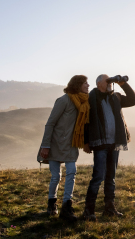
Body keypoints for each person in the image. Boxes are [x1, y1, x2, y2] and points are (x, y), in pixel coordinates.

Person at [81, 74, 135, 221]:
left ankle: (109, 208)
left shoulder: (116, 97)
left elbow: (133, 100)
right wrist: (85, 142)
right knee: (98, 176)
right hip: (100, 143)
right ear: (99, 83)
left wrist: (122, 84)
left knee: (110, 177)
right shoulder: (91, 98)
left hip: (114, 143)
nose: (109, 83)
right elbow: (85, 122)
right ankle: (89, 210)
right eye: (107, 81)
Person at [39, 74, 90, 222]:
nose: (88, 85)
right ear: (77, 84)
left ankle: (67, 206)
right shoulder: (63, 100)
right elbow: (50, 123)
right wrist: (45, 145)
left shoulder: (85, 103)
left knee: (72, 171)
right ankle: (52, 204)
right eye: (85, 83)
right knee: (56, 176)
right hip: (55, 144)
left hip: (71, 144)